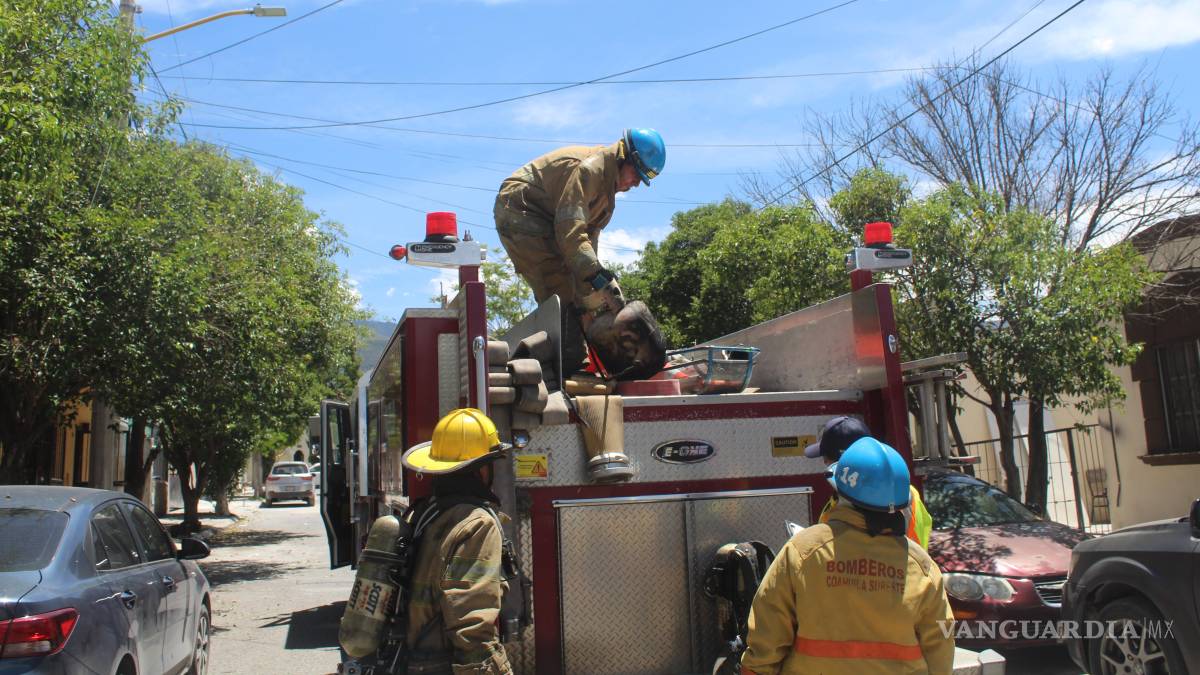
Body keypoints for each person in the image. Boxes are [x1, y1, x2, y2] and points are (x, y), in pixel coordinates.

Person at [741, 437, 955, 675]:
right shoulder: (922, 566)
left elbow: (767, 637)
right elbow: (940, 649)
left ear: (841, 492)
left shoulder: (803, 551)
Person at [494, 129, 666, 372]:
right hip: (520, 209)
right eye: (636, 174)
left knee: (578, 292)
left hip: (548, 216)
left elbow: (587, 245)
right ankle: (570, 367)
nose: (637, 183)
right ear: (624, 158)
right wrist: (596, 277)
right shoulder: (590, 170)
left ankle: (577, 360)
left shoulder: (607, 192)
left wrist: (593, 293)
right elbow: (570, 231)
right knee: (558, 287)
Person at [399, 408, 515, 674]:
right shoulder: (477, 524)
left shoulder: (425, 513)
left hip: (415, 657)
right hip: (442, 664)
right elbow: (471, 627)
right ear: (482, 469)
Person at [806, 416, 933, 548]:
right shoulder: (907, 493)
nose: (825, 464)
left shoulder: (842, 502)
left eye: (826, 459)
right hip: (911, 565)